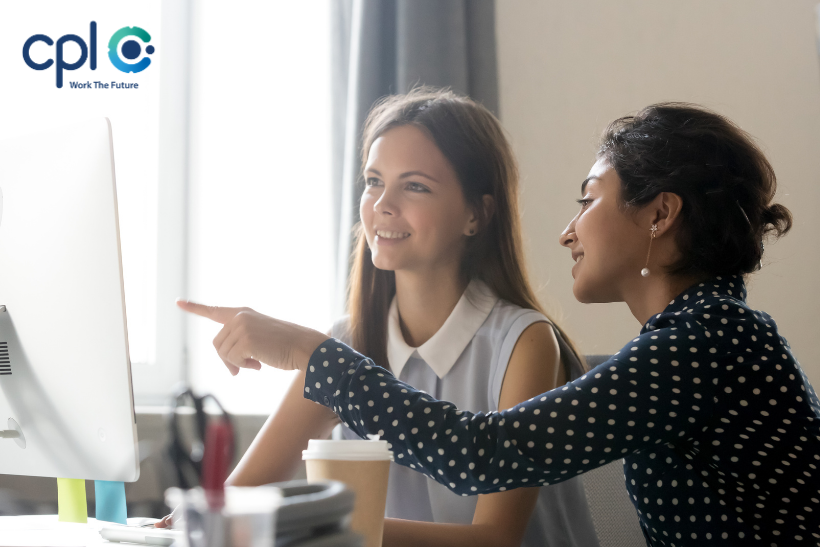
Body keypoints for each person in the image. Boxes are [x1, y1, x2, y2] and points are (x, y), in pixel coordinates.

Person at [180, 103, 820, 546]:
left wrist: (304, 351)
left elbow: (484, 454)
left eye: (589, 198)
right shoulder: (703, 337)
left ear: (660, 214)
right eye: (374, 182)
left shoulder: (707, 344)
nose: (569, 229)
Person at [172, 89, 598, 547]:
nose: (382, 204)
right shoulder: (347, 342)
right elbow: (236, 498)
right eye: (374, 181)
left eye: (414, 186)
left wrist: (321, 529)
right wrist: (180, 525)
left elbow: (492, 540)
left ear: (476, 213)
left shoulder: (525, 343)